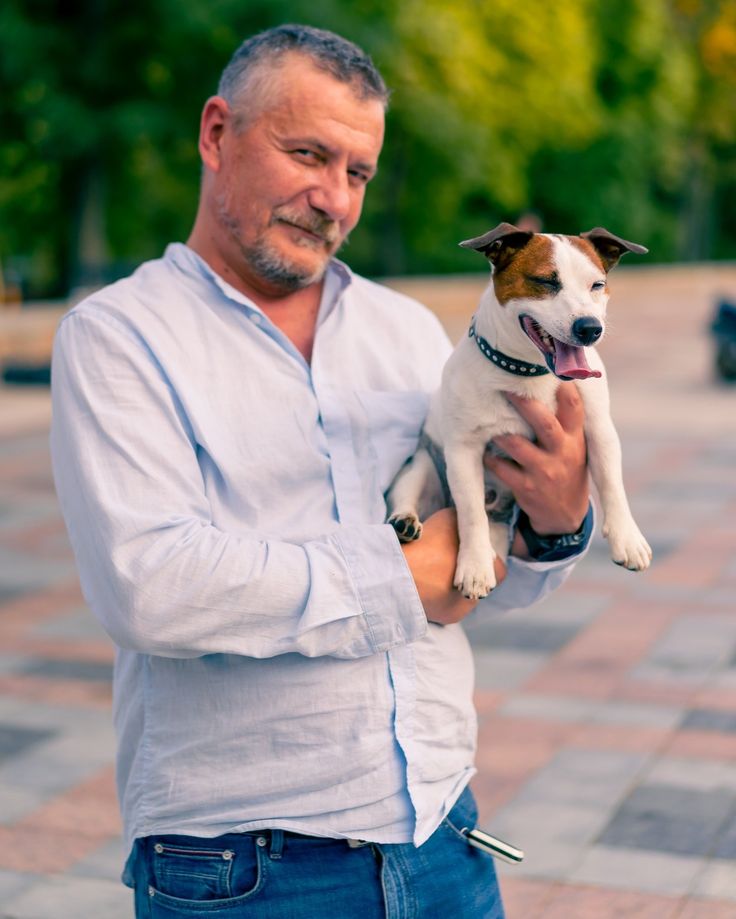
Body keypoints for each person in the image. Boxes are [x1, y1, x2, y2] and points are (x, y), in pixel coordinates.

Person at [50, 24, 591, 919]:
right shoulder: (118, 337)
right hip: (241, 871)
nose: (333, 198)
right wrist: (399, 571)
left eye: (358, 173)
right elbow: (150, 585)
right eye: (307, 154)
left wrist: (555, 522)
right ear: (217, 134)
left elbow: (478, 581)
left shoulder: (410, 332)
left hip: (446, 842)